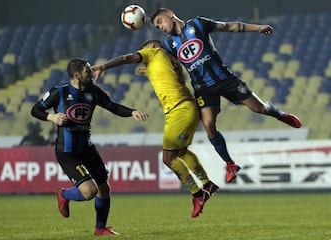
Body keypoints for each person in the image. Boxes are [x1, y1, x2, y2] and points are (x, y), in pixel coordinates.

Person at [150, 8, 302, 183]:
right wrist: (151, 71)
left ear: (170, 14)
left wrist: (258, 28)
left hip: (225, 79)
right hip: (203, 88)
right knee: (208, 125)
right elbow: (172, 66)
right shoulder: (169, 43)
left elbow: (230, 26)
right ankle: (230, 164)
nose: (160, 27)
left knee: (258, 108)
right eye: (157, 26)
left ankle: (279, 114)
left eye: (160, 21)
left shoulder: (198, 24)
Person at [91, 40, 219, 218]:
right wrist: (149, 72)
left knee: (168, 158)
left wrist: (104, 66)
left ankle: (197, 194)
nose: (141, 55)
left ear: (151, 47)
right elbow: (169, 79)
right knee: (181, 152)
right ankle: (207, 184)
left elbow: (128, 58)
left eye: (143, 50)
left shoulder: (153, 52)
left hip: (179, 110)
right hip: (189, 107)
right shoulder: (171, 60)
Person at [31, 58, 148, 236]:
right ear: (77, 75)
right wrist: (52, 118)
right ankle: (63, 194)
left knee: (104, 188)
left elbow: (112, 106)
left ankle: (100, 228)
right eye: (87, 70)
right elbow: (36, 110)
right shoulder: (59, 92)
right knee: (89, 192)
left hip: (87, 148)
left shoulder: (93, 91)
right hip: (68, 152)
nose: (91, 72)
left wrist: (132, 112)